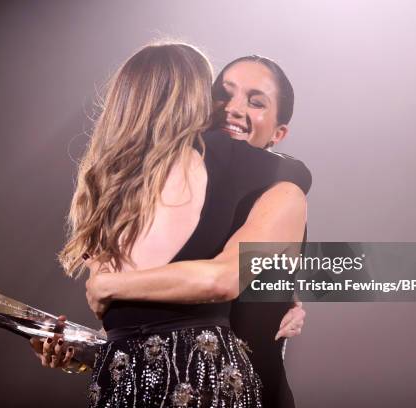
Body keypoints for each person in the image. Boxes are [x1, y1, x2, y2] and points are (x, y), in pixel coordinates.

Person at [34, 44, 310, 407]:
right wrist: (85, 351)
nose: (233, 109)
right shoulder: (155, 192)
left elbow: (226, 281)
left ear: (278, 134)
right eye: (222, 94)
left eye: (256, 102)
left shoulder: (283, 193)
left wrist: (288, 296)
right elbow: (146, 332)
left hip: (252, 387)